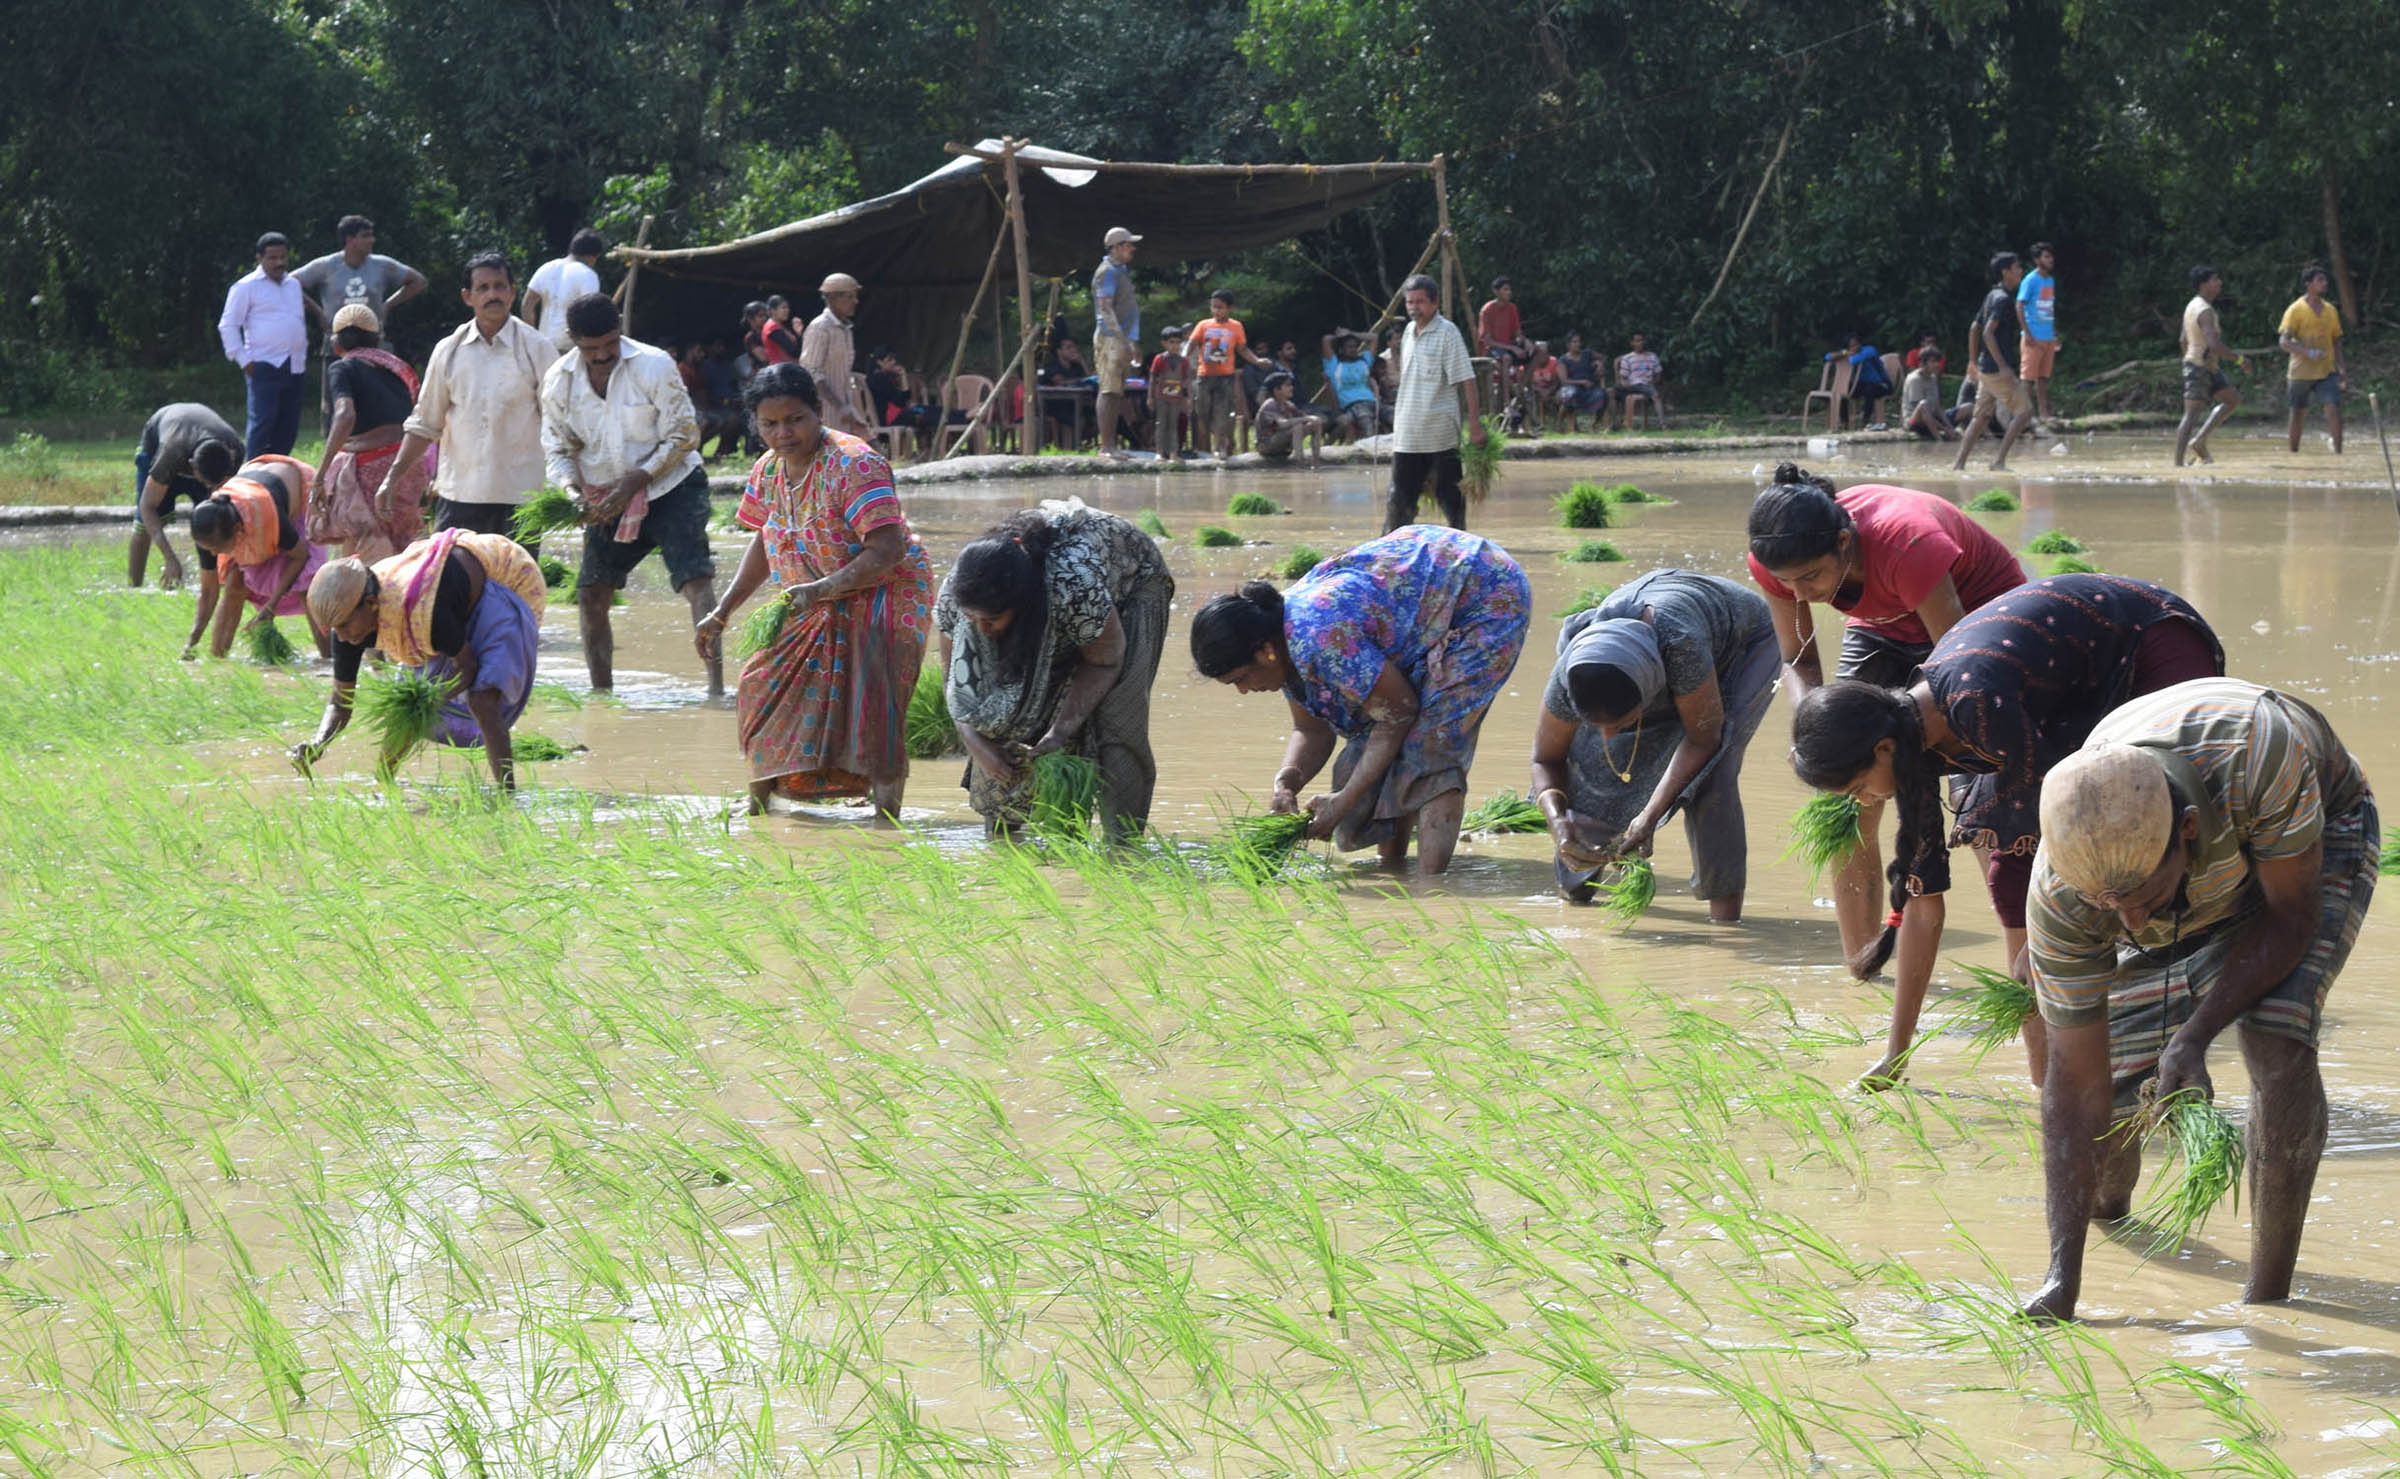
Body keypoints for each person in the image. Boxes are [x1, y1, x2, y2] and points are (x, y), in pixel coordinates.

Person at [2019, 679, 2377, 1323]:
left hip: (2309, 842)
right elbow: (2073, 1086)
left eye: (2140, 897)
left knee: (2276, 1037)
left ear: (2186, 830)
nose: (2128, 924)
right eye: (2110, 906)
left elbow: (2291, 917)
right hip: (2192, 878)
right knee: (2110, 1146)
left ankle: (2268, 1298)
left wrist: (2195, 1034)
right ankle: (2083, 1248)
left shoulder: (2256, 755)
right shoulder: (2064, 891)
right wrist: (2059, 1281)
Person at [1787, 574, 2225, 1087]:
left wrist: (2047, 942)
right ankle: (2054, 1085)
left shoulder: (1976, 702)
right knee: (2012, 877)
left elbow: (2067, 831)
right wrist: (1896, 1056)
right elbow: (1924, 910)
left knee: (2154, 838)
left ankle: (2176, 1045)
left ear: (1883, 749)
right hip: (2060, 704)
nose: (1864, 802)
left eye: (1859, 786)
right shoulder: (1913, 745)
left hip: (2145, 644)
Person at [1744, 463, 2026, 1023]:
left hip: (1979, 623)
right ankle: (1863, 968)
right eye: (1789, 584)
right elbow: (1800, 661)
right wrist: (1819, 735)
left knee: (1984, 804)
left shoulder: (1906, 540)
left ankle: (2025, 973)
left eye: (1812, 579)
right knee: (1843, 793)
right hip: (1883, 627)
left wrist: (1905, 753)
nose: (1803, 594)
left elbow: (1955, 675)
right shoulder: (1778, 561)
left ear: (1845, 543)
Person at [1191, 526, 1529, 874]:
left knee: (1430, 743)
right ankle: (1393, 864)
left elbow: (1398, 714)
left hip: (1485, 591)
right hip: (1428, 587)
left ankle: (1430, 890)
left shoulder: (1320, 636)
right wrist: (1286, 782)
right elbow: (1311, 730)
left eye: (1240, 679)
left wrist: (1344, 799)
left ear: (1264, 652)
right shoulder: (1282, 641)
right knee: (1377, 744)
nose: (1243, 691)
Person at [695, 363, 935, 819]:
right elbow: (767, 540)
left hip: (884, 590)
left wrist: (825, 587)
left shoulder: (855, 462)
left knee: (872, 698)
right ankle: (758, 805)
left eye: (795, 419)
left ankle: (886, 820)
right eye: (770, 424)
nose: (783, 433)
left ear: (818, 412)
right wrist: (722, 610)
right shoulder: (768, 469)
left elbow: (886, 548)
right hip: (811, 593)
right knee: (759, 685)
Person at [1529, 569, 1779, 920]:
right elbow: (1545, 759)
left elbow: (1702, 739)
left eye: (1622, 723)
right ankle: (1576, 895)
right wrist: (1558, 824)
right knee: (1588, 766)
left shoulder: (1681, 646)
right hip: (1642, 657)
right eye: (1596, 725)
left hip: (1744, 644)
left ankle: (1725, 920)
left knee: (1711, 777)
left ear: (1650, 696)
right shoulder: (1569, 674)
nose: (1609, 736)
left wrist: (1649, 816)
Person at [938, 500, 1173, 841]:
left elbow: (1104, 661)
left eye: (990, 621)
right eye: (973, 620)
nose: (981, 629)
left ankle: (1122, 848)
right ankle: (1006, 840)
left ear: (1020, 604)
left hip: (1134, 581)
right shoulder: (955, 594)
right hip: (1069, 606)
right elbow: (957, 688)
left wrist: (1061, 731)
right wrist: (975, 743)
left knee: (1117, 722)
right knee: (1001, 715)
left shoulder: (1071, 585)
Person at [540, 293, 720, 696]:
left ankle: (716, 691)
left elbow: (684, 435)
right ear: (573, 340)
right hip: (605, 498)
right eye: (591, 349)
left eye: (609, 344)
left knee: (696, 580)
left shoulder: (653, 365)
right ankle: (602, 696)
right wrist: (572, 494)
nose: (603, 355)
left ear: (619, 328)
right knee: (590, 594)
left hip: (671, 485)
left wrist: (636, 480)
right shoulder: (558, 382)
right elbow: (558, 449)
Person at [295, 530, 549, 789]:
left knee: (481, 699)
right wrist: (318, 743)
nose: (341, 635)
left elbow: (468, 666)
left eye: (345, 626)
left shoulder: (425, 613)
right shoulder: (347, 626)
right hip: (444, 603)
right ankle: (383, 783)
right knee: (405, 708)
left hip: (502, 578)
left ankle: (507, 794)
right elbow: (340, 702)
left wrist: (431, 699)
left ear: (371, 603)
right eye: (335, 629)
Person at [375, 252, 559, 541]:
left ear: (512, 293)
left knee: (516, 584)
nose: (493, 295)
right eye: (483, 288)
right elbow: (425, 422)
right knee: (450, 581)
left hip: (520, 497)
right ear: (467, 297)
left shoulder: (537, 348)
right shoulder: (449, 351)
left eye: (500, 286)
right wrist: (392, 477)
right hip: (459, 493)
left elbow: (558, 422)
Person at [312, 305, 431, 564]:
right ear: (378, 341)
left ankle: (360, 600)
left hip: (369, 470)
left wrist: (320, 477)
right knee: (407, 551)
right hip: (409, 465)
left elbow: (345, 415)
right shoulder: (398, 369)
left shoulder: (342, 368)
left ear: (336, 345)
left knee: (364, 558)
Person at [184, 454, 330, 660]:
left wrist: (271, 606)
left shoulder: (268, 517)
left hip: (295, 491)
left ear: (238, 531)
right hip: (254, 483)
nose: (214, 554)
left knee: (307, 587)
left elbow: (300, 556)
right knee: (235, 585)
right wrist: (191, 643)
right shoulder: (208, 533)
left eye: (218, 548)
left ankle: (331, 660)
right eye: (209, 549)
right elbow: (209, 593)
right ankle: (217, 659)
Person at [292, 215, 427, 420]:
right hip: (337, 344)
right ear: (349, 239)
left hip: (374, 342)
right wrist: (319, 313)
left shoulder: (381, 265)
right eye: (365, 236)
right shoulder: (326, 266)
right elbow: (290, 283)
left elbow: (418, 281)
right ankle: (335, 443)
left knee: (376, 396)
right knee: (335, 399)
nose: (371, 240)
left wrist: (388, 305)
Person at [1387, 273, 1482, 532]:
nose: (1414, 308)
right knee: (1399, 498)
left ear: (1434, 303)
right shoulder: (1407, 332)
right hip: (1408, 431)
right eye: (1409, 302)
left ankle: (1458, 544)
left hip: (1440, 433)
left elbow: (1467, 380)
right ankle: (1391, 549)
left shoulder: (1447, 333)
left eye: (1420, 302)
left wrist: (1475, 424)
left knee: (1450, 496)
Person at [218, 232, 313, 457]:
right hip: (263, 364)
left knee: (288, 426)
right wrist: (243, 359)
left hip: (295, 365)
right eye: (272, 258)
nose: (279, 262)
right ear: (259, 258)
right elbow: (228, 325)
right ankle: (253, 477)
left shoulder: (293, 285)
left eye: (283, 257)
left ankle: (278, 474)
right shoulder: (245, 287)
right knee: (262, 425)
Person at [129, 403, 242, 589]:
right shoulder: (170, 453)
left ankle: (215, 579)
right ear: (191, 466)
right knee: (143, 526)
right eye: (207, 484)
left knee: (217, 519)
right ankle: (134, 587)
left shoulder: (234, 450)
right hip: (158, 443)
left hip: (200, 447)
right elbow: (147, 506)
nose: (210, 489)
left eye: (215, 485)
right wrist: (170, 558)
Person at [1955, 252, 2036, 472]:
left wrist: (1973, 361)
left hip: (1984, 368)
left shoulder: (1992, 295)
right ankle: (1999, 461)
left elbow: (1974, 328)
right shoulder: (2002, 300)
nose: (2020, 271)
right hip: (1995, 370)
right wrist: (2003, 366)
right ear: (2005, 272)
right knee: (2025, 412)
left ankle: (1959, 464)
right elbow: (1987, 333)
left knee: (1980, 417)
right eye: (2017, 267)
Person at [1186, 292, 1270, 459]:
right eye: (1213, 307)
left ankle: (1218, 447)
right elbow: (1191, 343)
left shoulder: (1236, 326)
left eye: (1220, 307)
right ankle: (1208, 443)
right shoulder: (1203, 325)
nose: (1215, 311)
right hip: (1204, 375)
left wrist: (1257, 361)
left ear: (1229, 308)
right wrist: (1182, 357)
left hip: (1225, 377)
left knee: (1221, 412)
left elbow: (1242, 349)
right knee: (1202, 412)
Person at [2174, 265, 2242, 467]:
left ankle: (2199, 441)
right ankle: (2177, 465)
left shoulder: (2193, 305)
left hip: (2206, 366)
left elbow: (2182, 340)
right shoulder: (2204, 311)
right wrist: (2239, 359)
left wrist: (2192, 359)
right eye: (2215, 279)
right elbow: (2214, 344)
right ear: (2204, 285)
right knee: (2191, 415)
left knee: (2232, 400)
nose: (2219, 283)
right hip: (2199, 366)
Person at [2278, 263, 2344, 455]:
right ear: (2309, 284)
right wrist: (2309, 353)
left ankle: (2339, 454)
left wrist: (2342, 369)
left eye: (2325, 280)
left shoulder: (2330, 310)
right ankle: (2294, 454)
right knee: (2298, 413)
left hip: (2326, 371)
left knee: (2333, 409)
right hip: (2300, 372)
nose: (2325, 284)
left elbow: (2337, 341)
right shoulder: (2295, 310)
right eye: (2320, 280)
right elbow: (2284, 341)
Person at [799, 274, 871, 436]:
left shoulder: (844, 329)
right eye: (850, 297)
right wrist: (838, 405)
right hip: (826, 411)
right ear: (832, 298)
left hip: (845, 409)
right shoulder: (820, 328)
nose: (855, 301)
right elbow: (811, 372)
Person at [1092, 227, 1142, 457]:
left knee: (1116, 392)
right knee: (1109, 390)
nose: (1133, 248)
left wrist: (1132, 343)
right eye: (1129, 244)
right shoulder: (1107, 272)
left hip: (1120, 338)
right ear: (1118, 247)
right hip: (1110, 338)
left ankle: (1110, 446)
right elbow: (1105, 308)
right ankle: (1107, 447)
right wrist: (1122, 341)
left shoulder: (1120, 271)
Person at [523, 228, 606, 350]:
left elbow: (527, 304)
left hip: (543, 347)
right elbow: (590, 313)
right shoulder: (588, 275)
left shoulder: (546, 268)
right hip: (571, 349)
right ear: (593, 256)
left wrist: (533, 337)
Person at [2017, 241, 2060, 425]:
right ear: (2037, 260)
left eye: (2051, 256)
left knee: (2043, 377)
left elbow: (2049, 308)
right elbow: (2019, 305)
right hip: (2033, 336)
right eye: (2046, 256)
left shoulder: (2050, 280)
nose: (2051, 260)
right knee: (2028, 378)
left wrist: (2055, 332)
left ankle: (2044, 413)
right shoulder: (2030, 279)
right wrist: (2026, 333)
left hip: (2048, 336)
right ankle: (2025, 416)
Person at [865, 345, 942, 445]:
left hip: (897, 415)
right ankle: (964, 416)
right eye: (889, 360)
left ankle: (964, 415)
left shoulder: (881, 377)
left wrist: (903, 376)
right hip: (890, 419)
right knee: (931, 415)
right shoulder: (879, 379)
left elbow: (903, 399)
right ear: (879, 362)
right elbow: (901, 402)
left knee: (934, 410)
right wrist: (902, 375)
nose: (893, 362)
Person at [1320, 330, 1384, 442]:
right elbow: (1326, 339)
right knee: (1367, 424)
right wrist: (1339, 336)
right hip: (1353, 406)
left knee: (1395, 416)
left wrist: (1350, 333)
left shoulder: (1364, 361)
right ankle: (1371, 455)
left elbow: (1374, 337)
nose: (1353, 349)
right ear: (1341, 349)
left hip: (1372, 403)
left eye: (1355, 346)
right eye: (1349, 347)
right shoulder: (1334, 365)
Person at [1477, 277, 1533, 403]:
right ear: (1496, 292)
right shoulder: (1487, 310)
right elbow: (1488, 341)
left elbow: (1517, 332)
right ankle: (1507, 401)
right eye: (1505, 289)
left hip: (1507, 346)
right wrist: (1513, 348)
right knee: (1507, 358)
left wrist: (1525, 341)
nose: (1509, 292)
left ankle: (1523, 387)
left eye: (1509, 289)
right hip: (1491, 349)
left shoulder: (1512, 308)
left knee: (1537, 350)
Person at [1254, 371, 1326, 463]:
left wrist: (1314, 420)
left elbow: (1303, 417)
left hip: (1281, 444)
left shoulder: (1288, 405)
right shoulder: (1270, 405)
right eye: (1287, 385)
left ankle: (1316, 461)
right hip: (1265, 445)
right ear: (1277, 390)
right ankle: (1299, 462)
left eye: (1291, 385)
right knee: (1297, 427)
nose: (1291, 388)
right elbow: (1283, 424)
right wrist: (1307, 418)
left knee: (1315, 423)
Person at [1828, 334, 1892, 428]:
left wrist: (1850, 354)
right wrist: (1844, 353)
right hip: (1863, 384)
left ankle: (1865, 421)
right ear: (1848, 348)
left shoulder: (1869, 350)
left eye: (1857, 344)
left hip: (1882, 384)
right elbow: (1827, 357)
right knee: (1843, 390)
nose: (1855, 347)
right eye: (1852, 346)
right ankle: (1845, 423)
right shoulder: (1848, 353)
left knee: (1870, 390)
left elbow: (1854, 360)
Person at [1148, 325, 1191, 456]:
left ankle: (1173, 452)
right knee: (1161, 423)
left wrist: (1187, 399)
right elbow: (1152, 378)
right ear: (1164, 343)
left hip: (1176, 398)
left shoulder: (1184, 361)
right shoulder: (1159, 359)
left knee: (1173, 424)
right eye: (1171, 342)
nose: (1175, 346)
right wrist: (1150, 397)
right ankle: (1159, 452)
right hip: (1161, 397)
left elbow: (1186, 380)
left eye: (1178, 342)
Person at [1900, 347, 1955, 439]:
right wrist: (1945, 429)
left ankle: (1986, 436)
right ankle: (1939, 441)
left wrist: (1950, 427)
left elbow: (1938, 407)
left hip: (1931, 418)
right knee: (1923, 404)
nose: (1937, 365)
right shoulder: (1915, 379)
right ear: (1923, 364)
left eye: (1937, 361)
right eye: (1933, 362)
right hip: (1912, 421)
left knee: (1967, 408)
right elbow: (1921, 410)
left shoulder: (1933, 377)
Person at [1556, 332, 1608, 431]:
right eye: (1574, 342)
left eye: (1579, 341)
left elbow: (1604, 357)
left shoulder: (1587, 353)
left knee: (1602, 394)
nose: (1577, 344)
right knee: (1570, 394)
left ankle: (1596, 424)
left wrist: (1599, 363)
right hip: (1572, 387)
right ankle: (1560, 423)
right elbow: (1564, 380)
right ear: (1568, 345)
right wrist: (1582, 382)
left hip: (1589, 388)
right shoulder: (1563, 360)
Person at [1615, 334, 1663, 429]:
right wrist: (1625, 384)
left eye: (1642, 340)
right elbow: (1623, 377)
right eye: (1637, 341)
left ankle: (1663, 424)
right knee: (1614, 392)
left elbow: (1658, 374)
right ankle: (1616, 423)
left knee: (1656, 395)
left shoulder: (1652, 356)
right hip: (1632, 385)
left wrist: (1654, 382)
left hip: (1647, 384)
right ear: (1632, 343)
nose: (1640, 343)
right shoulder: (1627, 358)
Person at [1526, 343, 1565, 431]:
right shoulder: (1529, 363)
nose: (1543, 356)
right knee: (1531, 399)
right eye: (1540, 354)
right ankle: (1536, 424)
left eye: (1545, 353)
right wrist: (1539, 390)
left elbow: (1558, 381)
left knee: (1563, 396)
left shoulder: (1554, 362)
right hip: (1534, 391)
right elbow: (1525, 381)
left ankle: (1559, 425)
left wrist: (1549, 390)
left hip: (1552, 390)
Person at [760, 296, 802, 366]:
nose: (787, 310)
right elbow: (793, 351)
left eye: (788, 308)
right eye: (783, 308)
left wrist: (798, 333)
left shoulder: (780, 326)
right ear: (773, 310)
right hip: (781, 371)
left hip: (789, 367)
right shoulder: (772, 327)